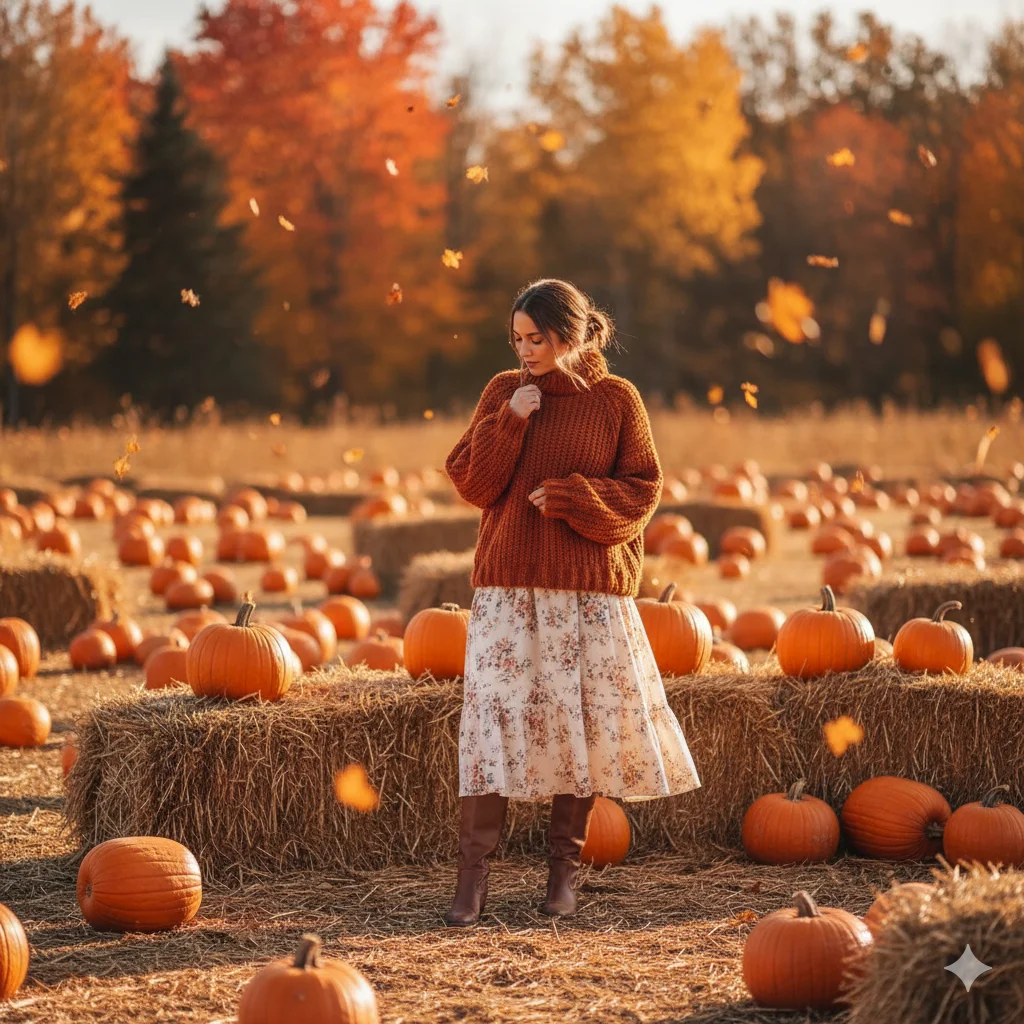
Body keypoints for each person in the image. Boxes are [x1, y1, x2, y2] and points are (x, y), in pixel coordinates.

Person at [442, 278, 700, 927]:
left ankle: (564, 874)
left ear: (575, 335)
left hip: (585, 597)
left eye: (538, 339)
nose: (526, 350)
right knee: (491, 727)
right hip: (508, 592)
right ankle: (471, 880)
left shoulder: (616, 401)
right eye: (519, 339)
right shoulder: (504, 392)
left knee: (575, 728)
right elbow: (472, 482)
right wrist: (512, 420)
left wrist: (576, 498)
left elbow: (643, 491)